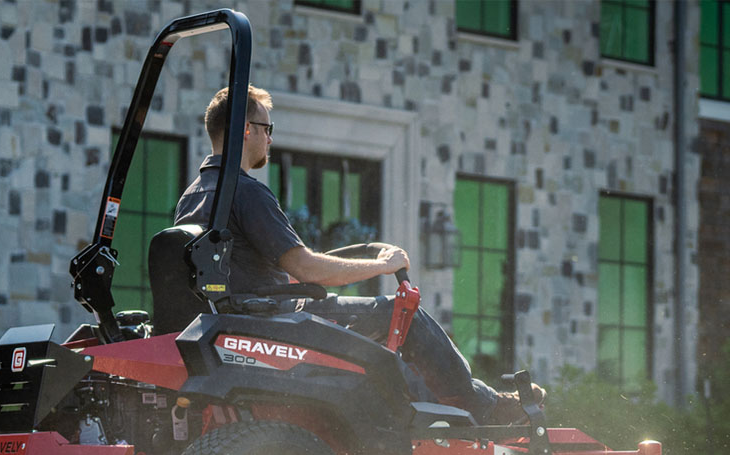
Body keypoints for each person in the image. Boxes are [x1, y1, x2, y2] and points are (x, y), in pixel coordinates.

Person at [174, 85, 544, 425]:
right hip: (274, 325)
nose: (270, 138)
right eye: (268, 129)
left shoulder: (192, 196)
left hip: (239, 322)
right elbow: (305, 266)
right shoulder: (247, 193)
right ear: (245, 130)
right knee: (400, 315)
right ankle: (486, 409)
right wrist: (383, 265)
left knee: (383, 351)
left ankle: (440, 417)